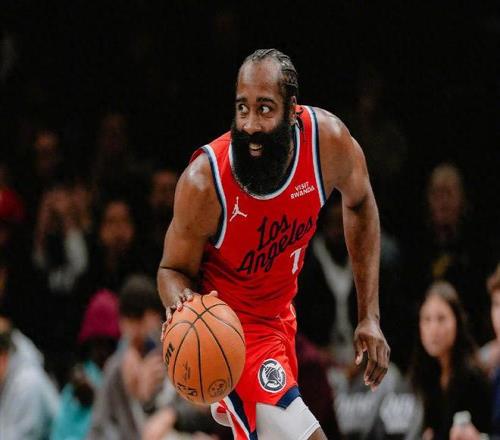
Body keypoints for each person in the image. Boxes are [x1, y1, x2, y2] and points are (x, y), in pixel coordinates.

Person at [157, 48, 390, 440]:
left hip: (281, 320)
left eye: (264, 109)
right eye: (242, 108)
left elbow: (361, 201)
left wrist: (369, 315)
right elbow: (171, 270)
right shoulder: (205, 182)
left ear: (292, 110)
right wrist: (189, 311)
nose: (250, 124)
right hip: (230, 332)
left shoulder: (327, 143)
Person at [410, 281, 491, 439]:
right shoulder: (424, 376)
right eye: (426, 319)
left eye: (441, 319)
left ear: (457, 322)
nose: (433, 329)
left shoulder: (473, 377)